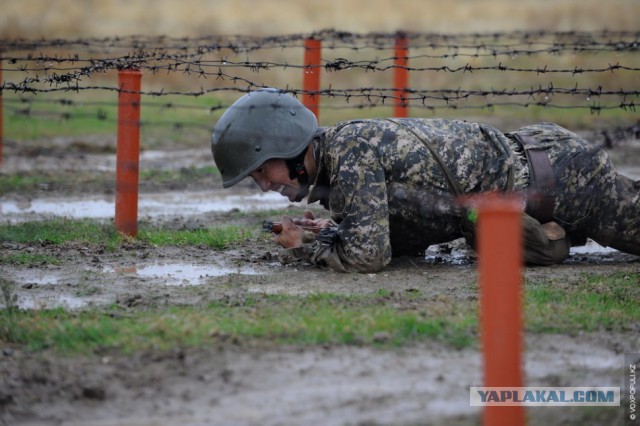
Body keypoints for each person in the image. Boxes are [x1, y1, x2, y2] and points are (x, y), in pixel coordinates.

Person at [211, 88, 640, 273]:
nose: (265, 187)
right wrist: (335, 231)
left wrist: (306, 248)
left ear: (287, 148)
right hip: (549, 164)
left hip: (564, 182)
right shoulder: (342, 155)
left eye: (262, 172)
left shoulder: (350, 154)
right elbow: (411, 232)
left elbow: (368, 258)